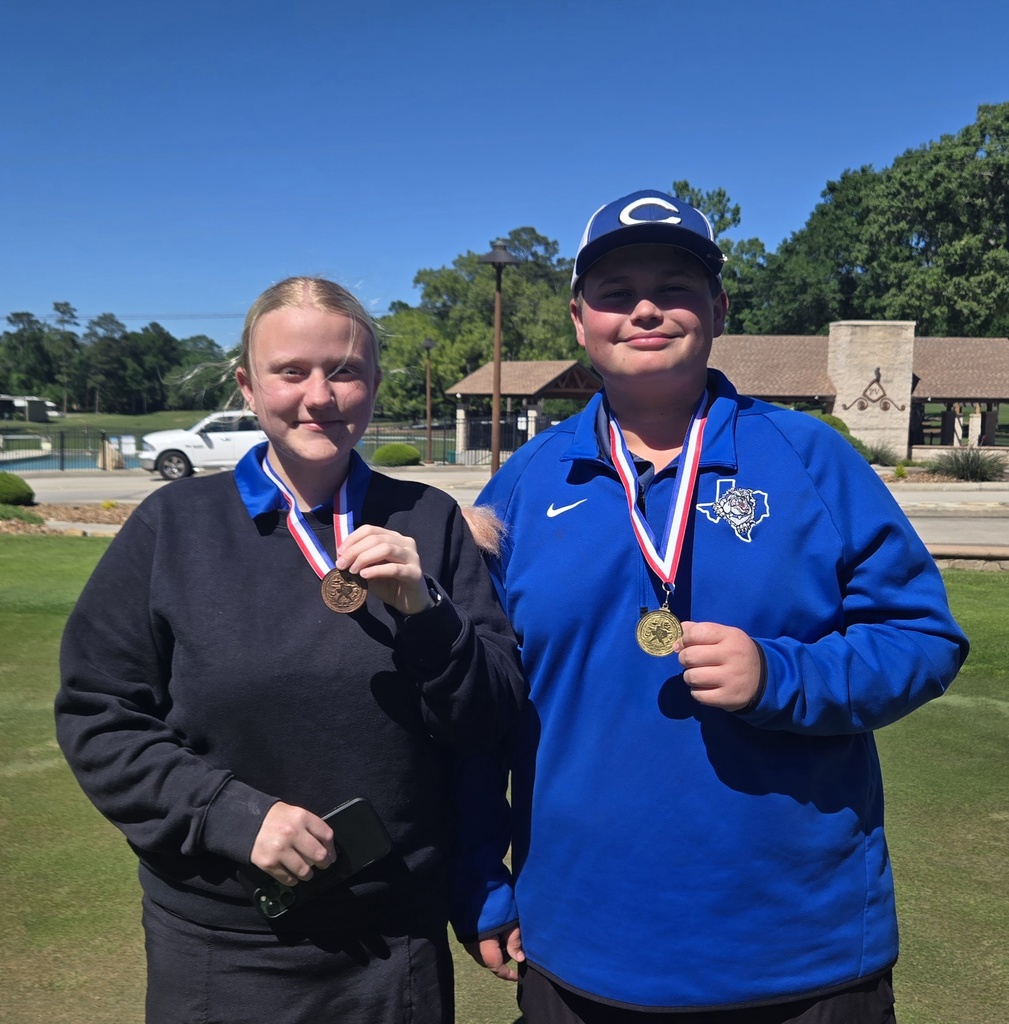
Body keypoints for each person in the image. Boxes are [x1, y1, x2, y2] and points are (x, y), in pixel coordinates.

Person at [458, 190, 970, 1022]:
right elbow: (478, 701)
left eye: (675, 287)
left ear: (719, 309)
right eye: (616, 292)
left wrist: (781, 675)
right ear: (579, 320)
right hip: (580, 940)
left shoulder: (809, 458)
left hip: (796, 950)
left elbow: (921, 637)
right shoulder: (522, 483)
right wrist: (482, 877)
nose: (645, 309)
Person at [55, 276, 525, 1024]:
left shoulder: (429, 522)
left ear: (374, 383)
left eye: (344, 371)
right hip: (223, 944)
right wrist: (228, 814)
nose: (319, 396)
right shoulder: (172, 527)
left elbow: (488, 721)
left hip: (395, 941)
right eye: (291, 372)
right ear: (247, 386)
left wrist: (426, 611)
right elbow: (98, 716)